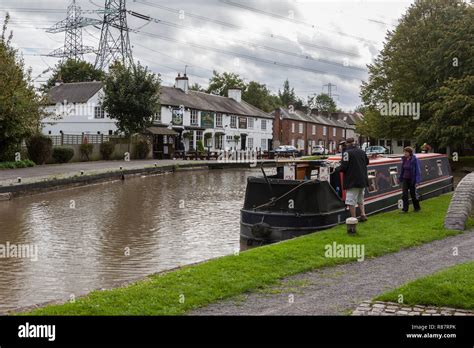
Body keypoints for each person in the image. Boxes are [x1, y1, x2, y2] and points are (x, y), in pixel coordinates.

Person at [336, 137, 369, 225]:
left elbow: (344, 167)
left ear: (347, 144)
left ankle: (353, 218)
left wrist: (336, 169)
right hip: (363, 179)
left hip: (352, 180)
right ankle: (363, 215)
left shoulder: (347, 153)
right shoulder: (362, 151)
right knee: (360, 199)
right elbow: (367, 162)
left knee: (350, 200)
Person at [399, 146, 421, 213]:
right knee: (404, 195)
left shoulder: (414, 160)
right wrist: (400, 178)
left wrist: (417, 181)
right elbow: (402, 169)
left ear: (410, 153)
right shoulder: (404, 159)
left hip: (412, 179)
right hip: (405, 179)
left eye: (406, 152)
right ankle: (405, 209)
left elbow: (418, 170)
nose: (405, 153)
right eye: (404, 152)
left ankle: (417, 208)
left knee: (413, 194)